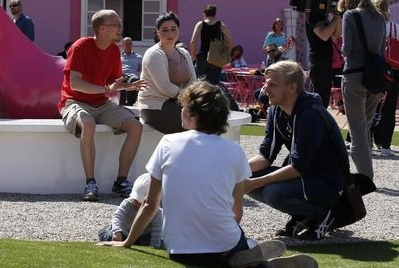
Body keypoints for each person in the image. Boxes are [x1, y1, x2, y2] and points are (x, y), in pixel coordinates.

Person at [100, 81, 316, 267]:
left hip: (179, 249)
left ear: (193, 114)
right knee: (239, 243)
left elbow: (150, 204)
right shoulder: (234, 150)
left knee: (223, 250)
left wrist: (126, 242)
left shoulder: (167, 143)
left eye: (183, 107)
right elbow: (236, 213)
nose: (180, 111)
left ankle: (249, 259)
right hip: (224, 244)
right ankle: (252, 259)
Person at [245, 61, 347, 240]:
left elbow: (298, 167)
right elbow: (265, 156)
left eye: (273, 85)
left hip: (327, 184)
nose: (265, 90)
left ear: (292, 87)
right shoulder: (276, 111)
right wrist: (234, 172)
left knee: (272, 192)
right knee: (246, 177)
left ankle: (324, 215)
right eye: (266, 83)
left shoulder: (310, 115)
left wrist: (257, 182)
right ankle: (303, 215)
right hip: (304, 178)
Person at [58, 9, 146, 201]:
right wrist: (108, 89)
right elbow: (75, 84)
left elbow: (115, 80)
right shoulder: (81, 46)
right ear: (103, 28)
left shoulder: (114, 50)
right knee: (88, 124)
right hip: (74, 102)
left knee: (135, 126)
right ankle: (91, 183)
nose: (121, 28)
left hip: (102, 103)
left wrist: (127, 84)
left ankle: (121, 181)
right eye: (118, 25)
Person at [338, 0, 387, 179]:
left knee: (357, 130)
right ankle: (367, 171)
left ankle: (366, 177)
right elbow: (381, 51)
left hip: (354, 75)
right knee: (365, 127)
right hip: (375, 77)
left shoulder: (350, 16)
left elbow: (347, 49)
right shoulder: (380, 19)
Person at [137, 12, 196, 134]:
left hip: (179, 102)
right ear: (157, 32)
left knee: (207, 115)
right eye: (165, 30)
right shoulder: (154, 54)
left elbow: (193, 81)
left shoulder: (184, 53)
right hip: (155, 107)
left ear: (178, 30)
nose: (170, 33)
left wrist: (192, 98)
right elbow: (166, 88)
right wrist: (187, 99)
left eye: (173, 29)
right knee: (194, 122)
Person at [97, 173, 163, 248]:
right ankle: (108, 231)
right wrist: (117, 233)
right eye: (136, 200)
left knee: (159, 243)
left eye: (140, 202)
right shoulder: (128, 203)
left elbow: (157, 231)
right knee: (109, 236)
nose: (137, 203)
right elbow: (118, 217)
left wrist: (155, 246)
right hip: (124, 232)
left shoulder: (157, 212)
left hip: (143, 236)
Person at [305, 0, 342, 109]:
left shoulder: (322, 17)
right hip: (319, 64)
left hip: (326, 64)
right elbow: (324, 35)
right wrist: (335, 18)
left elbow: (336, 35)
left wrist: (337, 16)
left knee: (324, 101)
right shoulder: (312, 15)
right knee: (318, 101)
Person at [371, 0, 396, 157]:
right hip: (393, 71)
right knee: (389, 108)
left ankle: (362, 139)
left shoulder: (372, 27)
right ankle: (385, 144)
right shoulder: (393, 27)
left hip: (374, 69)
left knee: (369, 107)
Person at [190, 4, 233, 85]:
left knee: (202, 85)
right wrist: (228, 54)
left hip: (202, 56)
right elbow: (230, 40)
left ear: (204, 14)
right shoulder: (220, 24)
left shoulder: (200, 24)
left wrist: (193, 55)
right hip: (216, 57)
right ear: (215, 14)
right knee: (214, 85)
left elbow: (193, 41)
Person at [119, 37, 143, 106]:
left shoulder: (138, 57)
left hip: (132, 75)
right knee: (121, 79)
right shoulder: (118, 56)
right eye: (126, 44)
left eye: (130, 44)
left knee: (134, 79)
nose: (128, 45)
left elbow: (141, 69)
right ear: (123, 45)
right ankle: (122, 103)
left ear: (132, 45)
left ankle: (130, 103)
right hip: (122, 74)